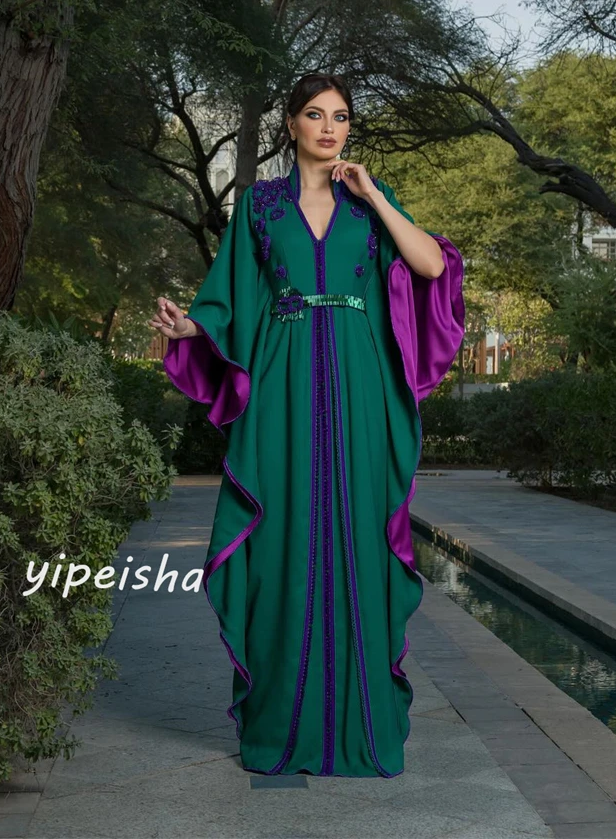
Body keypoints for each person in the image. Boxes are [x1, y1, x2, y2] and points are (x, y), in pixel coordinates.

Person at [148, 72, 465, 777]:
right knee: (286, 539)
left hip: (361, 384)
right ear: (290, 125)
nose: (330, 127)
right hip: (285, 384)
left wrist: (375, 196)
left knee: (356, 534)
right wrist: (190, 325)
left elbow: (432, 264)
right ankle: (279, 730)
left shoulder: (367, 206)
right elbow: (230, 297)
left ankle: (361, 728)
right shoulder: (259, 207)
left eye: (342, 116)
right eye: (315, 115)